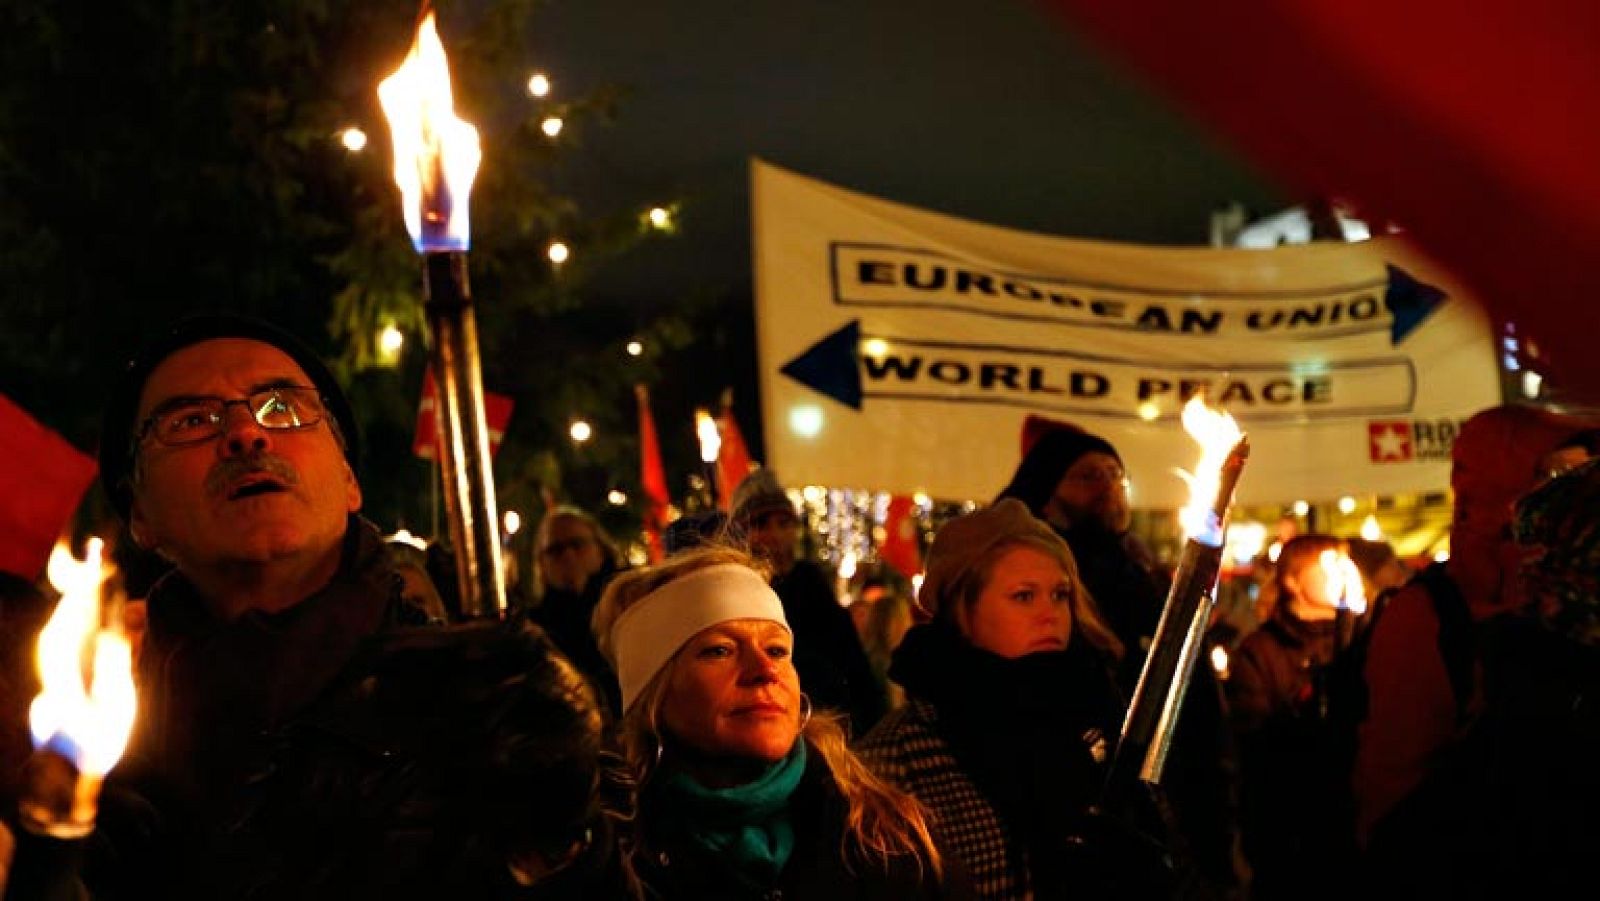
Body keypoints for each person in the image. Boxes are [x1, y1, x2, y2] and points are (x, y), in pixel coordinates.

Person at [18, 314, 605, 898]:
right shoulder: (73, 725)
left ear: (350, 480)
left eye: (282, 406)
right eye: (192, 419)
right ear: (140, 515)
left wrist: (565, 846)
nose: (248, 435)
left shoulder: (482, 696)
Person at [590, 544, 969, 899]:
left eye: (776, 649)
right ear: (652, 695)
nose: (764, 670)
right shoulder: (609, 856)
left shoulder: (890, 836)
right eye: (719, 650)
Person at [995, 424, 1241, 894]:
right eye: (1088, 476)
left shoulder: (1142, 570)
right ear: (1046, 494)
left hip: (1176, 798)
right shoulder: (1030, 568)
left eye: (1115, 474)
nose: (1108, 485)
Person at [857, 500, 1144, 899]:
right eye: (1024, 596)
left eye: (1059, 595)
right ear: (962, 610)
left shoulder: (1097, 717)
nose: (1050, 614)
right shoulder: (899, 759)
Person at [1354, 404, 1594, 870]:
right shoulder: (1427, 615)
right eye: (1557, 472)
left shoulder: (1576, 592)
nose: (1578, 486)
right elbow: (1393, 791)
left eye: (1583, 470)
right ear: (1499, 485)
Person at [1226, 535, 1366, 900]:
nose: (1340, 573)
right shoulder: (1261, 651)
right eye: (1326, 564)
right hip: (1287, 829)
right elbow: (1254, 740)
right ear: (1292, 581)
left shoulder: (1362, 642)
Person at [730, 469, 885, 735]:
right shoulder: (737, 598)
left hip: (835, 734)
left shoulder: (815, 590)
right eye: (761, 524)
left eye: (783, 523)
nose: (775, 535)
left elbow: (858, 678)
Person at [528, 505, 626, 717]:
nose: (568, 554)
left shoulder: (629, 602)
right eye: (555, 550)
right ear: (541, 564)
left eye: (577, 544)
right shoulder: (535, 629)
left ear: (600, 549)